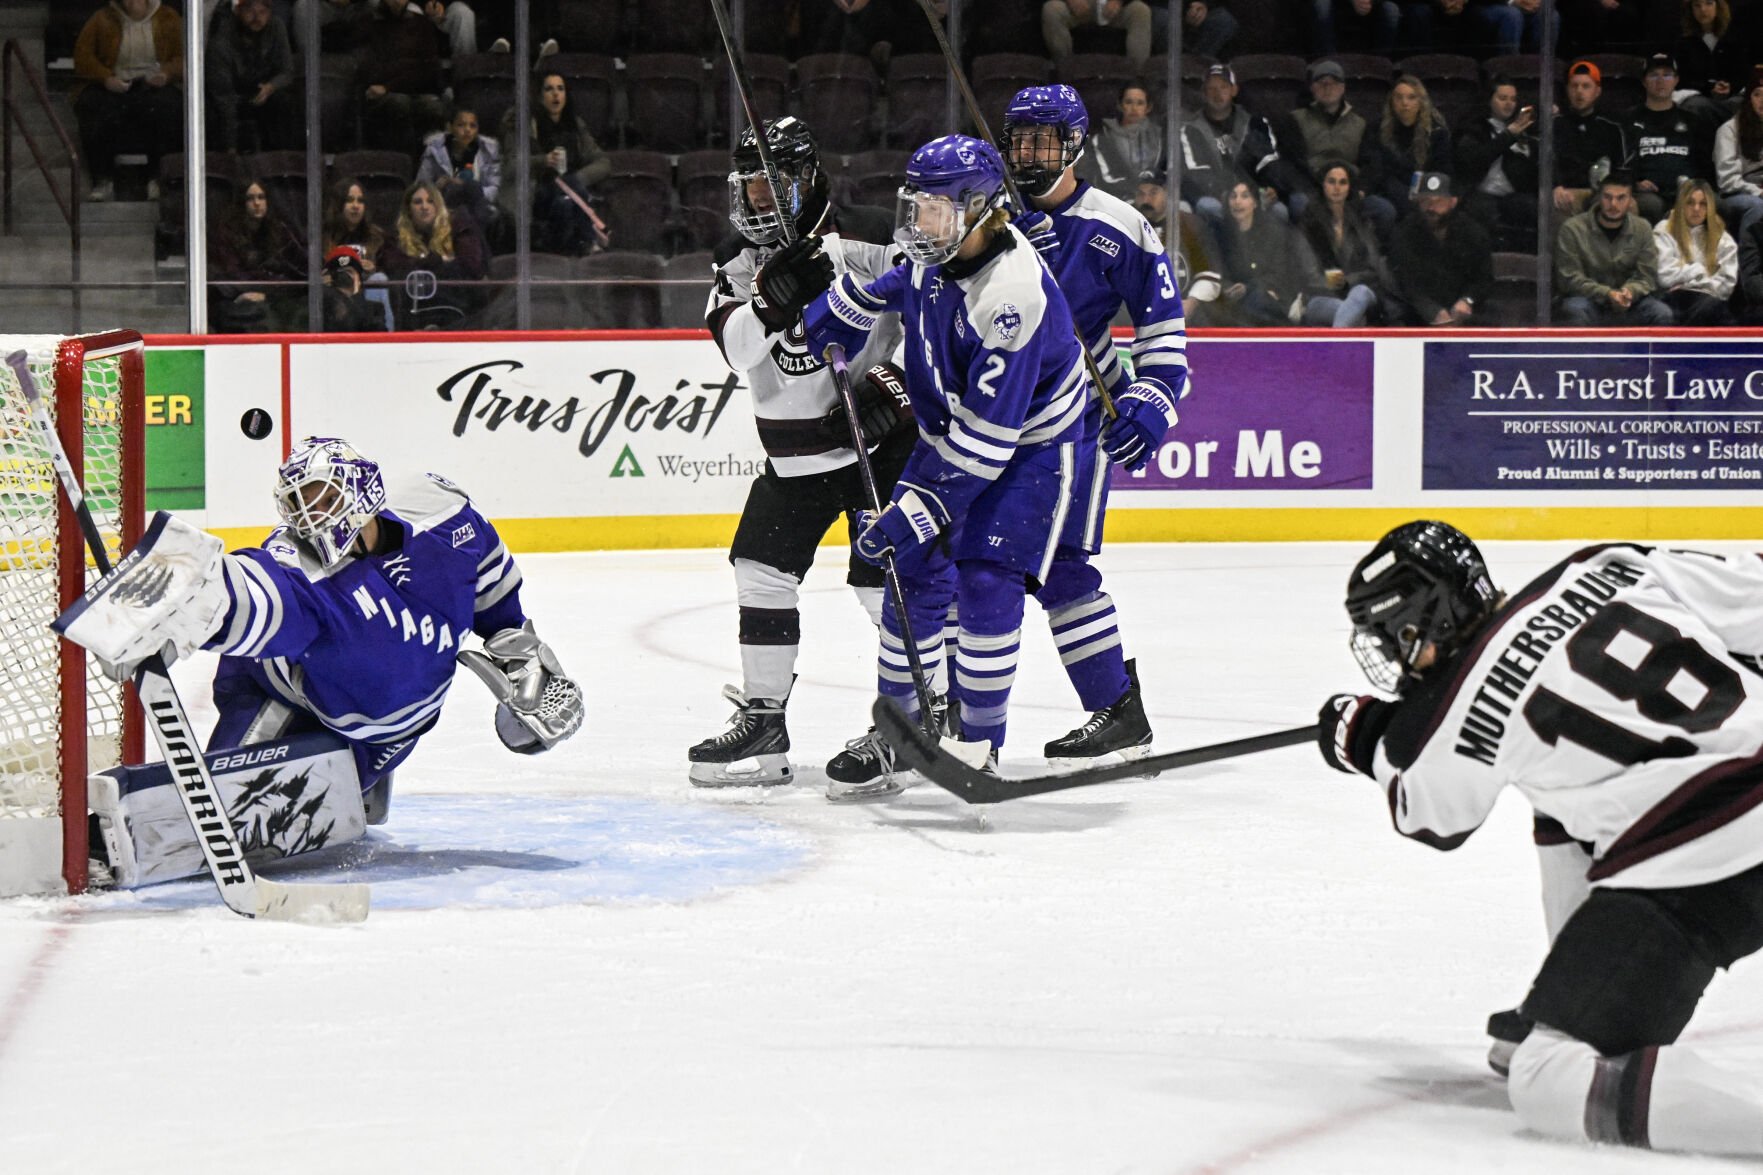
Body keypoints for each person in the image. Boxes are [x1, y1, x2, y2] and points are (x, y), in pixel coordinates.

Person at [1316, 519, 1763, 1158]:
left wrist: (1363, 736)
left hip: (1702, 868)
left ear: (1420, 625)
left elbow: (1433, 816)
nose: (1394, 659)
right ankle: (1572, 990)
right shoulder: (1605, 564)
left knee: (1548, 1079)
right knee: (1556, 797)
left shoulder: (1457, 710)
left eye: (1395, 640)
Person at [54, 436, 582, 889]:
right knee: (220, 821)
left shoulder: (442, 518)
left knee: (330, 787)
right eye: (298, 503)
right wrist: (167, 602)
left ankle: (361, 780)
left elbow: (495, 597)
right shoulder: (303, 572)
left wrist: (524, 661)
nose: (311, 516)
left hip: (387, 728)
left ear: (362, 490)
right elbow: (244, 591)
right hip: (284, 694)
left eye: (323, 497)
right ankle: (92, 841)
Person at [803, 134, 1092, 772]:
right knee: (908, 576)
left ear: (980, 211)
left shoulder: (1011, 296)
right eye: (914, 207)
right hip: (952, 434)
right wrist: (844, 306)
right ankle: (900, 731)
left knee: (987, 582)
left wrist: (919, 509)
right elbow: (899, 282)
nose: (917, 224)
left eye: (933, 210)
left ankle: (977, 744)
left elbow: (990, 441)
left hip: (1029, 449)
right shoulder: (936, 252)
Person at [688, 117, 914, 800]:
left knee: (882, 584)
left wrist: (898, 384)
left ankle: (918, 713)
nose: (759, 199)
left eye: (771, 185)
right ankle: (764, 720)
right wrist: (767, 303)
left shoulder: (869, 236)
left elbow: (932, 313)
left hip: (878, 447)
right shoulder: (736, 261)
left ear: (807, 179)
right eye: (749, 187)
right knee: (760, 570)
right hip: (794, 460)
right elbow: (737, 350)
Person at [1000, 84, 1187, 764]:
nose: (1029, 152)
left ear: (1074, 144)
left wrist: (1152, 398)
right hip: (988, 415)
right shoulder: (987, 214)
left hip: (1077, 415)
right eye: (1020, 139)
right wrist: (1006, 256)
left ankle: (1114, 708)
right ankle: (951, 706)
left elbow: (1163, 328)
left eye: (1043, 139)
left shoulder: (1118, 224)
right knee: (965, 563)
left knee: (1061, 566)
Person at [72, 0, 185, 203]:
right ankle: (102, 178)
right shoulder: (102, 18)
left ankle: (158, 178)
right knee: (92, 105)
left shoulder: (168, 18)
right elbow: (83, 56)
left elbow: (182, 56)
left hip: (153, 83)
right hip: (115, 82)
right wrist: (106, 78)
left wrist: (166, 74)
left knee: (169, 106)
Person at [1180, 65, 1303, 235]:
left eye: (1223, 87)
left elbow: (1268, 162)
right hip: (1216, 195)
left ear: (1234, 90)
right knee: (1208, 207)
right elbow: (1197, 173)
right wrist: (1229, 194)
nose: (1217, 93)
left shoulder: (1255, 123)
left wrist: (1269, 188)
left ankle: (1271, 252)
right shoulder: (1190, 128)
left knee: (1279, 210)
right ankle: (1218, 252)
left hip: (1252, 194)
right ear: (1204, 93)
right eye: (1211, 88)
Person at [502, 72, 613, 257]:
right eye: (549, 89)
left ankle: (574, 251)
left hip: (570, 192)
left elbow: (603, 162)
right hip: (537, 192)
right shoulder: (523, 124)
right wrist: (543, 160)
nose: (556, 94)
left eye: (560, 89)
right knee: (566, 199)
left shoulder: (575, 125)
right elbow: (511, 166)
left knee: (565, 204)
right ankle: (590, 241)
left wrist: (576, 179)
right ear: (540, 96)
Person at [1554, 171, 1676, 325]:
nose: (1613, 204)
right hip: (1588, 300)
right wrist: (1607, 294)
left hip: (1631, 302)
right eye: (1608, 197)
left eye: (1621, 198)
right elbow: (1569, 279)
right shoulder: (1572, 229)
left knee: (1661, 313)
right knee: (1574, 309)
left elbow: (1647, 276)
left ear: (1631, 200)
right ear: (1599, 197)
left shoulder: (1642, 228)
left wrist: (1630, 291)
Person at [1388, 172, 1493, 326]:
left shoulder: (1473, 233)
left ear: (1453, 202)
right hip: (1418, 316)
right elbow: (1406, 282)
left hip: (1465, 315)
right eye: (1425, 201)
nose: (1431, 208)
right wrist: (1431, 310)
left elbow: (1483, 279)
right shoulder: (1404, 232)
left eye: (1438, 202)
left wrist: (1467, 300)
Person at [380, 180, 489, 328]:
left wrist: (421, 263)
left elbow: (471, 267)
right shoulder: (396, 237)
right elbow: (394, 267)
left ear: (438, 206)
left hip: (456, 312)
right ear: (408, 209)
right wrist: (439, 261)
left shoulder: (459, 227)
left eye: (430, 201)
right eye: (418, 202)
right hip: (412, 314)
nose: (424, 207)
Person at [1623, 54, 1714, 224]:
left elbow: (1705, 165)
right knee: (1651, 205)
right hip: (1646, 194)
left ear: (1676, 80)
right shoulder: (1628, 119)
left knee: (1717, 205)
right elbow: (1621, 162)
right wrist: (1635, 183)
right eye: (1653, 75)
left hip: (1687, 190)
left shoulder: (1693, 121)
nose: (1660, 80)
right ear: (1644, 81)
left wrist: (1697, 187)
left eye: (1667, 75)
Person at [1297, 162, 1391, 325]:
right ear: (1323, 185)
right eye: (1331, 181)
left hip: (1360, 291)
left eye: (1343, 182)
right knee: (1351, 311)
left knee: (1360, 294)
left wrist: (1347, 281)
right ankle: (1347, 330)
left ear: (1349, 188)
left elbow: (1372, 267)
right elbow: (1309, 276)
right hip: (1322, 297)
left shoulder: (1361, 220)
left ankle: (1341, 336)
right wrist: (1339, 282)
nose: (1337, 188)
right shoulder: (1309, 222)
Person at [210, 180, 306, 333]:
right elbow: (234, 275)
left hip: (273, 296)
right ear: (242, 203)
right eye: (250, 198)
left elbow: (299, 264)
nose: (257, 203)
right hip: (235, 299)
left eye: (261, 197)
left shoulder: (279, 230)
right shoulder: (227, 234)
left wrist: (268, 293)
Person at [1456, 75, 1539, 251]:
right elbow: (1474, 161)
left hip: (1512, 195)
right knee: (1481, 212)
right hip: (1480, 193)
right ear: (1489, 99)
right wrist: (1508, 136)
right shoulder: (1473, 128)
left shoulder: (1524, 132)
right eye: (1503, 98)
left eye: (1513, 99)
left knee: (1533, 208)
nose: (1509, 104)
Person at [1215, 179, 1315, 325]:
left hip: (1270, 296)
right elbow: (1217, 271)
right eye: (1233, 196)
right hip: (1234, 301)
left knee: (1257, 300)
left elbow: (1279, 273)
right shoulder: (1221, 234)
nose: (1237, 202)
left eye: (1244, 196)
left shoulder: (1272, 232)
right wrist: (1227, 287)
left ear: (1255, 203)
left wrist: (1248, 288)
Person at [206, 0, 298, 153]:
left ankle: (284, 160)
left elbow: (287, 70)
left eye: (262, 12)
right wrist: (231, 148)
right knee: (213, 113)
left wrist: (271, 86)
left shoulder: (276, 27)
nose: (256, 17)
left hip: (264, 93)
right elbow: (223, 97)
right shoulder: (221, 42)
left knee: (284, 102)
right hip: (230, 96)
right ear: (238, 11)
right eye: (250, 11)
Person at [357, 0, 447, 154]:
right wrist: (405, 71)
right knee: (399, 103)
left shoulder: (422, 24)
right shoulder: (370, 24)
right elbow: (371, 69)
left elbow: (429, 70)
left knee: (433, 107)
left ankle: (428, 160)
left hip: (408, 89)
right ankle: (401, 161)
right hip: (382, 94)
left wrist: (390, 85)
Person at [1361, 76, 1451, 215]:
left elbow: (1442, 170)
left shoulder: (1437, 132)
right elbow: (1374, 169)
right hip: (1387, 192)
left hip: (1425, 193)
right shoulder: (1376, 129)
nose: (1404, 103)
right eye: (1399, 97)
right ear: (1391, 101)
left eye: (1411, 97)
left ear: (1421, 101)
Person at [417, 106, 503, 249]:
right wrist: (436, 188)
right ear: (450, 127)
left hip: (477, 202)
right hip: (444, 201)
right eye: (461, 125)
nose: (467, 130)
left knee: (472, 190)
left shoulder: (488, 150)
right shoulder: (434, 150)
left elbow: (494, 187)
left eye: (472, 126)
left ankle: (473, 248)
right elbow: (420, 186)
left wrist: (466, 186)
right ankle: (478, 250)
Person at [1652, 178, 1736, 323]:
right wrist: (1699, 271)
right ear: (1681, 205)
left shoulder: (1723, 238)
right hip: (1673, 300)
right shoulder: (1664, 230)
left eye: (1703, 204)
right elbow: (1664, 277)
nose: (1696, 209)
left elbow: (1726, 286)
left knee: (1713, 307)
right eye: (1690, 202)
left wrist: (1691, 282)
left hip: (1709, 301)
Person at [1553, 60, 1629, 220]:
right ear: (1567, 90)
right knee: (1557, 204)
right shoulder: (1554, 125)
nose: (1579, 91)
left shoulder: (1611, 128)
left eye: (1586, 86)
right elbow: (1545, 163)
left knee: (1626, 204)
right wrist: (1555, 186)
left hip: (1605, 192)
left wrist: (1612, 191)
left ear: (1597, 91)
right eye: (1574, 86)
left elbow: (1621, 168)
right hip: (1567, 191)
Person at [1079, 82, 1165, 201]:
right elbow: (1106, 179)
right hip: (1117, 199)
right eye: (1128, 102)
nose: (1134, 108)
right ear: (1120, 105)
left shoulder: (1160, 136)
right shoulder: (1103, 138)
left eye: (1140, 103)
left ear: (1148, 107)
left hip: (1154, 199)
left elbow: (1165, 171)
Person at [1675, 0, 1745, 124]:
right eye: (1697, 5)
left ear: (1718, 7)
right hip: (1701, 98)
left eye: (1708, 3)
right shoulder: (1685, 43)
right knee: (1694, 106)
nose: (1703, 10)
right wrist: (1709, 87)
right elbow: (1683, 79)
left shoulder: (1734, 37)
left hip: (1733, 97)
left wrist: (1730, 87)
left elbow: (1744, 72)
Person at [1713, 70, 1763, 237]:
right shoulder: (1729, 130)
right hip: (1738, 195)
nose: (1762, 100)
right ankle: (1748, 254)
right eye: (1757, 94)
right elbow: (1727, 181)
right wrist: (1759, 192)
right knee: (1759, 206)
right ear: (1749, 98)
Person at [1042, 0, 1154, 65]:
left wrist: (1119, 1)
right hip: (1077, 7)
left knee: (1140, 10)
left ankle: (1137, 78)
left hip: (1113, 8)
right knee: (1052, 10)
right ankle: (1064, 68)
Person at [321, 176, 389, 272]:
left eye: (360, 201)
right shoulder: (321, 239)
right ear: (338, 204)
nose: (356, 206)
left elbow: (390, 271)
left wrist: (374, 270)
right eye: (349, 200)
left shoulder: (378, 238)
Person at [319, 244, 389, 331]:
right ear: (330, 277)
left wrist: (356, 296)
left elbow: (378, 334)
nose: (344, 276)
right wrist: (322, 290)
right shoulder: (320, 307)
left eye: (349, 271)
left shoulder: (374, 309)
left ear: (359, 278)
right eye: (340, 272)